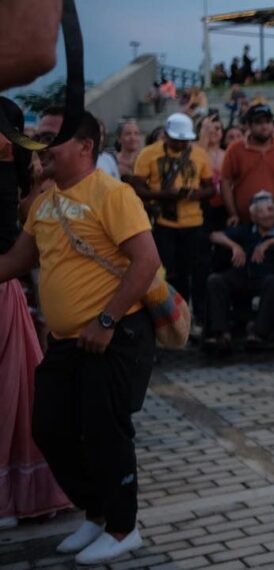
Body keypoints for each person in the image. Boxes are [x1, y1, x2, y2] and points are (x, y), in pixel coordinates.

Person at [0, 107, 160, 564]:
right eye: (37, 136)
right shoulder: (45, 205)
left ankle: (123, 527)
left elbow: (145, 261)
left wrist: (106, 321)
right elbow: (15, 261)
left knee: (107, 433)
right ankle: (96, 512)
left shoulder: (112, 193)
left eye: (51, 137)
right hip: (69, 340)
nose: (39, 145)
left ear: (86, 146)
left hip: (113, 334)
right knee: (49, 427)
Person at [0, 99, 70, 531]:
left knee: (14, 390)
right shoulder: (16, 148)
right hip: (6, 280)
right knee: (14, 390)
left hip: (5, 282)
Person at [126, 113, 215, 325]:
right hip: (164, 224)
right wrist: (163, 195)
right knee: (171, 273)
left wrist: (195, 194)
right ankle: (173, 318)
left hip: (194, 223)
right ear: (166, 136)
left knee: (195, 271)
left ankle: (196, 317)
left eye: (185, 140)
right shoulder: (148, 154)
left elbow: (211, 187)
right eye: (177, 140)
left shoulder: (200, 154)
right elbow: (136, 186)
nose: (182, 144)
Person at [205, 192, 274, 347]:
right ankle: (221, 333)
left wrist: (267, 244)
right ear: (253, 217)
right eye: (261, 212)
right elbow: (215, 236)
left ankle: (259, 333)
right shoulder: (247, 229)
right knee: (216, 280)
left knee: (272, 282)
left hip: (269, 276)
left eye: (270, 210)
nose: (267, 215)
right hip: (245, 274)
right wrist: (234, 246)